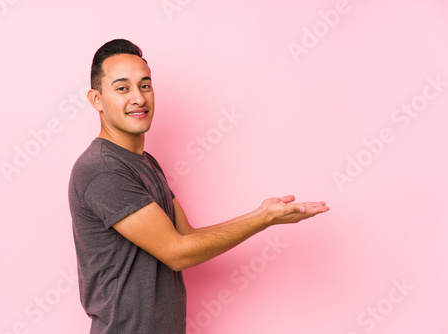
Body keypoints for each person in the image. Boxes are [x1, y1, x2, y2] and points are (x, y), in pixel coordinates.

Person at [68, 39, 330, 334]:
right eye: (122, 88)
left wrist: (262, 213)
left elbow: (185, 236)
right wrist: (262, 220)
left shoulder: (145, 162)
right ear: (97, 100)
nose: (139, 98)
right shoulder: (102, 170)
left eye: (144, 86)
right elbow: (178, 253)